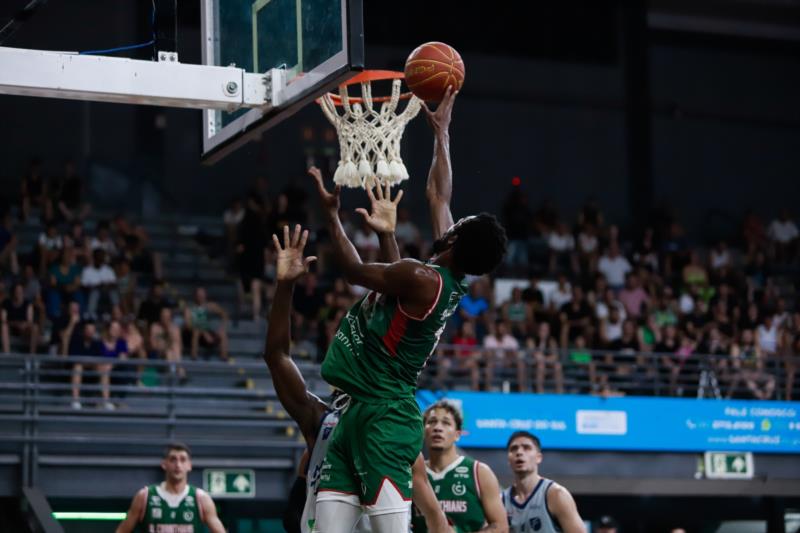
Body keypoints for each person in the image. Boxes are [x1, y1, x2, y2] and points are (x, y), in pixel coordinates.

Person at [311, 87, 507, 531]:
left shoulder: (423, 276)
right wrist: (442, 133)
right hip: (356, 410)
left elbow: (353, 270)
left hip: (386, 414)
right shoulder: (444, 274)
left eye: (460, 223)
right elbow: (438, 195)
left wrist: (330, 214)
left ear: (456, 239)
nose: (452, 219)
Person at [265, 224, 449, 533]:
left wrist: (387, 236)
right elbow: (277, 356)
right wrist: (285, 286)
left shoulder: (392, 430)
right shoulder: (321, 420)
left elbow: (436, 520)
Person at [411, 401, 507, 532]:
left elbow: (501, 527)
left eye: (446, 423)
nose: (437, 428)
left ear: (457, 434)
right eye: (432, 422)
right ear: (423, 431)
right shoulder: (413, 472)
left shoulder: (479, 472)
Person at [115, 442, 225, 533]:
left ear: (189, 465)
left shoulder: (201, 498)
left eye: (182, 460)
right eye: (173, 459)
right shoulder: (145, 496)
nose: (178, 464)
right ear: (164, 464)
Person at [503, 432, 585, 533]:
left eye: (526, 447)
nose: (519, 452)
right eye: (513, 449)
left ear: (539, 458)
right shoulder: (500, 501)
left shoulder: (556, 494)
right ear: (508, 460)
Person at [183, 287, 230, 361]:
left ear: (205, 295)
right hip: (192, 335)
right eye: (199, 295)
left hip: (206, 333)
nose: (201, 297)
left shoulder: (210, 306)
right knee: (196, 331)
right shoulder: (189, 308)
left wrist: (222, 328)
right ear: (195, 296)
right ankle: (193, 357)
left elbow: (224, 314)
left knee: (223, 334)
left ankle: (224, 357)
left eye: (202, 294)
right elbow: (188, 325)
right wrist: (203, 332)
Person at [1, 282, 40, 354]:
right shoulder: (6, 303)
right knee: (3, 327)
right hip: (10, 328)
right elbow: (3, 320)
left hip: (24, 329)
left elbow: (30, 321)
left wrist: (24, 325)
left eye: (20, 291)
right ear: (13, 292)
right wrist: (15, 324)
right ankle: (7, 354)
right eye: (17, 291)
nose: (18, 293)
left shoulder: (27, 304)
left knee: (35, 327)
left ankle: (32, 355)